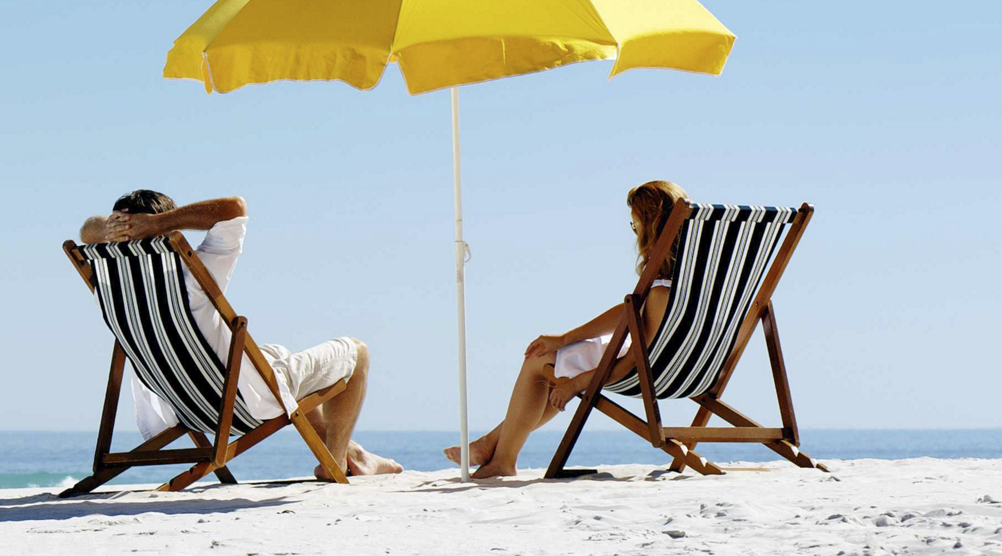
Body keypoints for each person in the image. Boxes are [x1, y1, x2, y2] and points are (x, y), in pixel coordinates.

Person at [81, 190, 401, 478]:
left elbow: (85, 230)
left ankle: (355, 453)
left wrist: (117, 227)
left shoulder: (109, 282)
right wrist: (159, 222)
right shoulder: (195, 271)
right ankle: (336, 459)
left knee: (275, 356)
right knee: (357, 351)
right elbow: (235, 207)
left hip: (180, 408)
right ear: (168, 229)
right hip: (238, 406)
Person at [445, 180, 690, 479]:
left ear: (650, 224)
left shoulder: (662, 294)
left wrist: (579, 382)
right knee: (554, 357)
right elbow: (631, 310)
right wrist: (565, 338)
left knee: (538, 362)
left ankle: (502, 459)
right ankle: (492, 444)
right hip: (687, 366)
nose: (634, 231)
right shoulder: (689, 281)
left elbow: (636, 361)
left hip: (649, 372)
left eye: (634, 223)